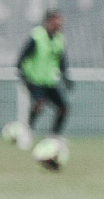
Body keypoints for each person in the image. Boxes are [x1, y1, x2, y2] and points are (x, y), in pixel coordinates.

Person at [18, 10, 71, 138]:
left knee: (63, 108)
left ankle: (54, 136)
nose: (59, 24)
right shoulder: (37, 36)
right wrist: (24, 78)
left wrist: (66, 78)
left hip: (50, 81)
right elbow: (22, 58)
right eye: (56, 21)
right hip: (35, 80)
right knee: (39, 103)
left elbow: (61, 61)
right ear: (48, 22)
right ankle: (27, 131)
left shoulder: (59, 39)